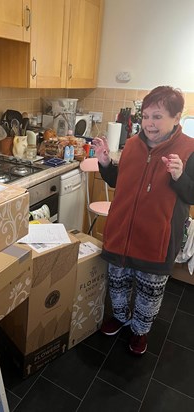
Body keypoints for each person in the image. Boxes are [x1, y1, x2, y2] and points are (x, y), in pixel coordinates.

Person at [92, 86, 194, 355]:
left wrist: (179, 176)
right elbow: (119, 182)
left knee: (150, 291)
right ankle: (120, 316)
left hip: (157, 237)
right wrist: (105, 163)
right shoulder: (133, 145)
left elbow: (192, 195)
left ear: (176, 117)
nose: (149, 123)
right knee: (118, 280)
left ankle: (140, 331)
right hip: (121, 230)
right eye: (146, 116)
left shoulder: (188, 150)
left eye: (158, 116)